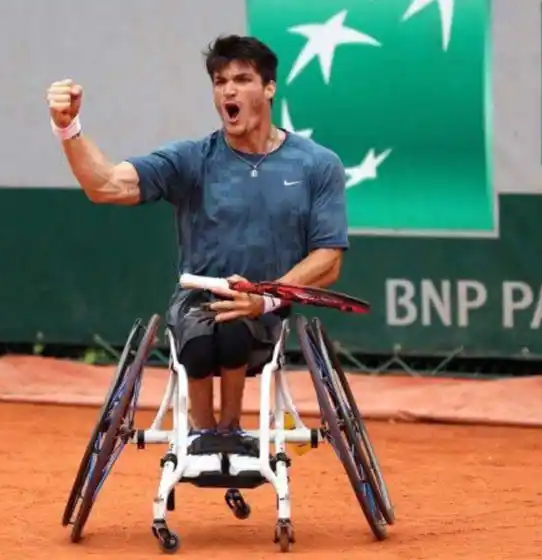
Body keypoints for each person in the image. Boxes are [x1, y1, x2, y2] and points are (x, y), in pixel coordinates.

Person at [46, 35, 348, 453]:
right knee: (204, 332)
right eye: (220, 81)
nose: (229, 90)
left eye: (242, 79)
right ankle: (207, 437)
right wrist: (68, 127)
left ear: (269, 88)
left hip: (266, 311)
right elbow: (107, 185)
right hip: (195, 304)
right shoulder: (191, 159)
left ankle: (228, 428)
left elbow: (329, 258)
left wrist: (265, 297)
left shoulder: (317, 164)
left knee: (236, 329)